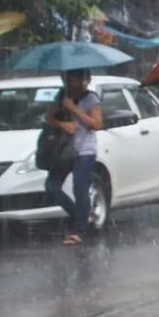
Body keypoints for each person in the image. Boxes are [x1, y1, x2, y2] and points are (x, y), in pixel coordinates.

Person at [45, 69, 103, 246]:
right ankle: (82, 217)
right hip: (65, 150)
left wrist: (74, 109)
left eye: (78, 79)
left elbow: (97, 124)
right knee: (51, 185)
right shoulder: (62, 96)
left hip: (85, 150)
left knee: (80, 187)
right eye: (70, 79)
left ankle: (79, 230)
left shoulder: (91, 98)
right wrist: (62, 124)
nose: (74, 83)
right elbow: (48, 119)